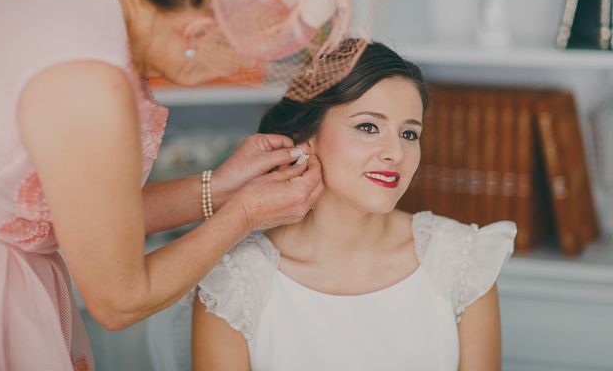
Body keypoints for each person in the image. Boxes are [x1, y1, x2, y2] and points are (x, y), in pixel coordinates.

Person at [0, 0, 370, 369]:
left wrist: (221, 187)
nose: (251, 67)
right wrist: (243, 215)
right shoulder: (89, 84)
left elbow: (87, 216)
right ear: (198, 33)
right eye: (249, 52)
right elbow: (120, 300)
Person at [191, 40, 517, 371]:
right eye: (368, 127)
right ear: (308, 137)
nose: (396, 153)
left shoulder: (462, 259)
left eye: (409, 134)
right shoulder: (234, 282)